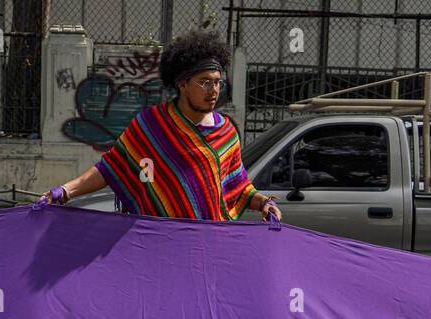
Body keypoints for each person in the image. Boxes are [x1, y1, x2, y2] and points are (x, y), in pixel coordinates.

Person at [39, 29, 281, 223]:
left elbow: (239, 188)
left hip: (210, 247)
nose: (214, 90)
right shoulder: (151, 126)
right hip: (158, 246)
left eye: (217, 82)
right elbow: (110, 168)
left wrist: (264, 202)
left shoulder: (227, 132)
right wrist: (65, 191)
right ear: (182, 84)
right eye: (205, 82)